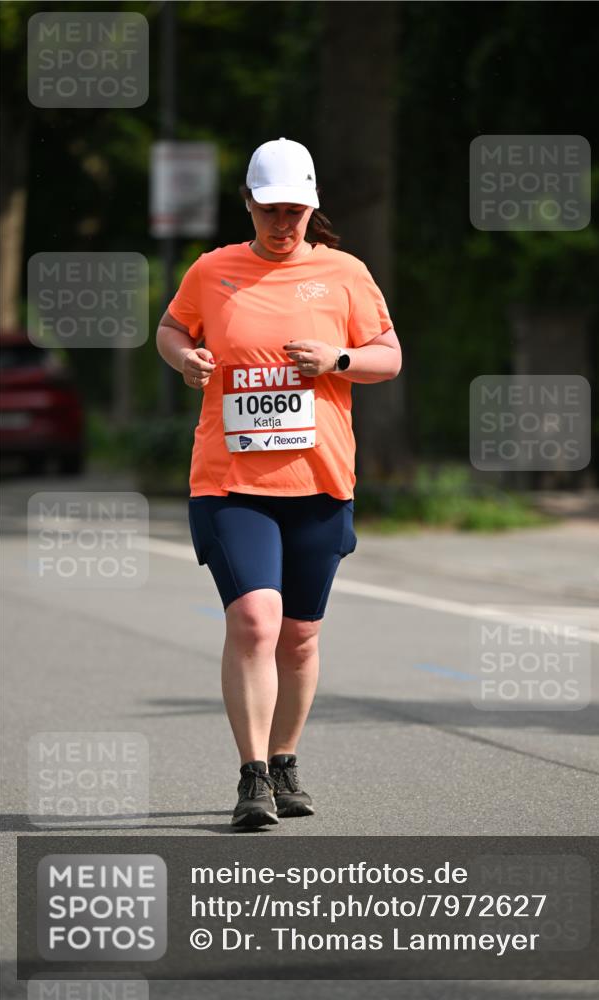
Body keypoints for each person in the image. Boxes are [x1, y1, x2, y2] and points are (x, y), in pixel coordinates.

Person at [156, 137, 402, 829]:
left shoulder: (344, 273)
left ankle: (285, 759)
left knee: (298, 635)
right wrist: (186, 359)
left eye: (294, 210)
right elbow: (171, 329)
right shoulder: (212, 270)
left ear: (312, 208)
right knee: (255, 620)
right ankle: (253, 775)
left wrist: (338, 358)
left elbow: (388, 356)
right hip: (230, 482)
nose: (282, 223)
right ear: (247, 203)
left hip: (319, 481)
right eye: (269, 209)